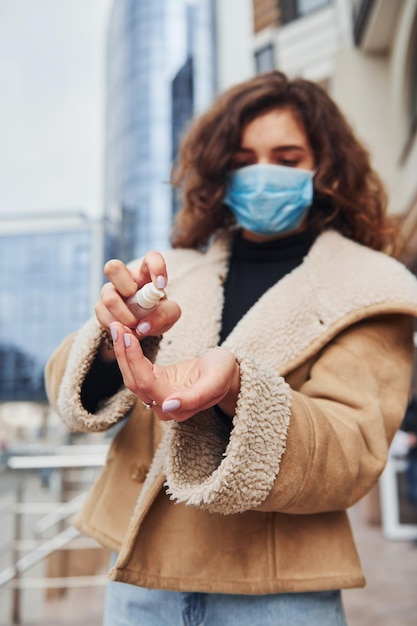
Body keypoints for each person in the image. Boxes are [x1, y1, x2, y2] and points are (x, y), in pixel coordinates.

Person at [45, 71, 417, 626]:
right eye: (244, 159)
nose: (262, 175)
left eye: (286, 158)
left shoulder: (372, 288)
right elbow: (65, 388)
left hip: (280, 595)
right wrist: (118, 343)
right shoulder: (176, 269)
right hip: (140, 578)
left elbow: (352, 452)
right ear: (221, 173)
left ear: (325, 169)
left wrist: (240, 393)